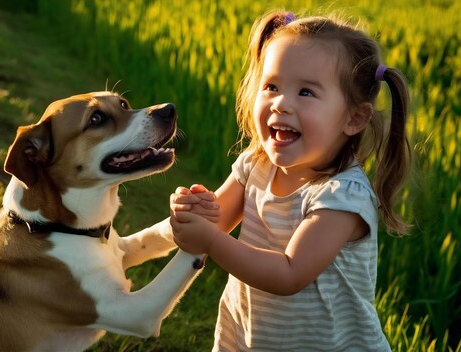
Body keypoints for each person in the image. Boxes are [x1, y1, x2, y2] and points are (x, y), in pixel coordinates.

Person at [169, 10, 411, 351]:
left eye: (307, 93)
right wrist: (193, 210)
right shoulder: (256, 164)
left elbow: (288, 274)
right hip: (250, 337)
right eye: (271, 86)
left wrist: (208, 240)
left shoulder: (342, 197)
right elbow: (214, 222)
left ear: (355, 118)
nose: (281, 103)